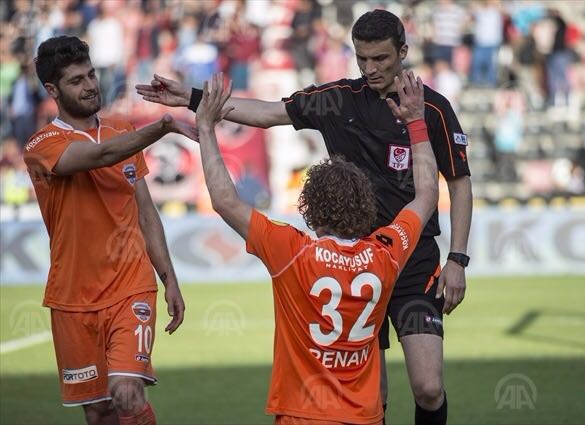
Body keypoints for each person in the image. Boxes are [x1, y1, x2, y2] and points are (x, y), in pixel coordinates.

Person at [137, 9, 472, 424]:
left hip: (410, 257)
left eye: (381, 59)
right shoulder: (336, 98)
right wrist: (191, 98)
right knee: (373, 396)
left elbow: (457, 184)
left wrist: (457, 259)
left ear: (403, 52)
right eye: (362, 58)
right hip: (356, 260)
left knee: (428, 386)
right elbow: (265, 113)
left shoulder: (432, 109)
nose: (370, 69)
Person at [196, 70, 438, 424]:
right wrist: (416, 122)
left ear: (310, 206)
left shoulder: (291, 251)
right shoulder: (386, 251)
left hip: (302, 415)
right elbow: (427, 194)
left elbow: (224, 201)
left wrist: (205, 129)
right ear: (365, 205)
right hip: (363, 417)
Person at [23, 36, 192, 425]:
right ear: (53, 90)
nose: (90, 85)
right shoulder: (41, 144)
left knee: (127, 393)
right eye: (76, 80)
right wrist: (163, 126)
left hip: (130, 285)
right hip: (71, 297)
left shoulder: (121, 128)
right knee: (100, 412)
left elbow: (146, 211)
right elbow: (99, 156)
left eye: (92, 74)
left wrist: (168, 277)